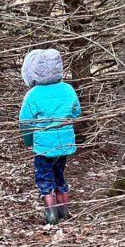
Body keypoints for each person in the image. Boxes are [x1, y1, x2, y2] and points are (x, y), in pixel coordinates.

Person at [19, 48, 82, 225]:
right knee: (60, 174)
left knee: (44, 176)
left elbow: (25, 122)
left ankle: (51, 214)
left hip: (43, 145)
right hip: (65, 144)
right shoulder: (68, 89)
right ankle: (63, 210)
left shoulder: (33, 94)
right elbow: (76, 112)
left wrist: (28, 141)